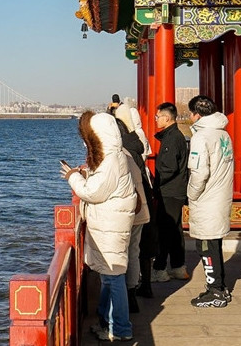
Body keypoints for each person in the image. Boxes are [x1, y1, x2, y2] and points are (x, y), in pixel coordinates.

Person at [61, 111, 137, 342]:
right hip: (110, 224)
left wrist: (73, 177)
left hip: (110, 226)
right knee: (110, 276)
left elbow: (93, 192)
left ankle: (121, 328)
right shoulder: (113, 156)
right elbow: (102, 183)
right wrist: (84, 173)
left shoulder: (111, 160)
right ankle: (107, 321)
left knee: (113, 277)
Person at [185, 95, 234, 308]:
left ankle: (215, 291)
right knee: (215, 244)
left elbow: (199, 172)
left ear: (196, 114)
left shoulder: (201, 137)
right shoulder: (223, 134)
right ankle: (219, 286)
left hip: (207, 199)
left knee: (206, 246)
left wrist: (191, 194)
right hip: (220, 196)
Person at [113, 103, 154, 312]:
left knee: (122, 252)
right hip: (142, 206)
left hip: (125, 210)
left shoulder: (119, 153)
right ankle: (135, 290)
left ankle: (123, 299)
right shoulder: (138, 143)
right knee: (136, 250)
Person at [151, 101, 191, 283]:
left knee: (165, 231)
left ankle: (159, 269)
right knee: (175, 230)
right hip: (175, 190)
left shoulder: (172, 138)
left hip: (170, 191)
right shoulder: (175, 136)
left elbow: (168, 167)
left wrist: (156, 184)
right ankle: (178, 267)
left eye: (158, 116)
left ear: (166, 118)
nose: (156, 119)